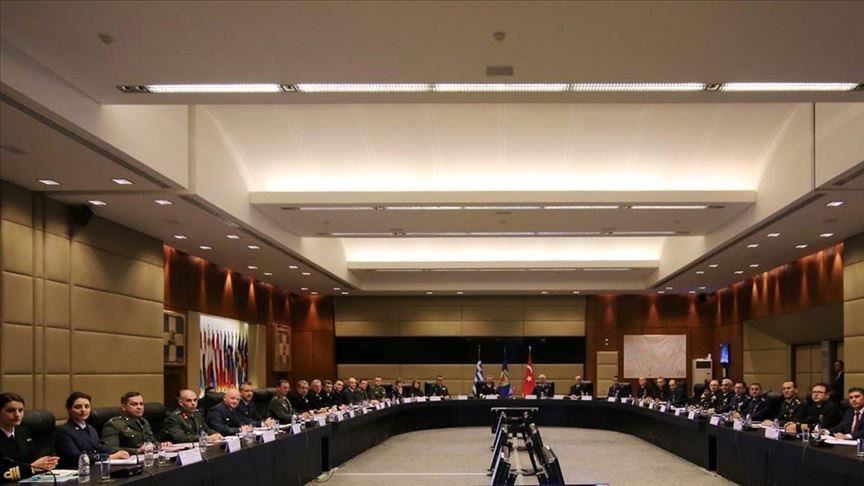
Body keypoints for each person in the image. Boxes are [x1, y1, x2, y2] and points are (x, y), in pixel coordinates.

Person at [55, 392, 130, 469]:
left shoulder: (90, 428)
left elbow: (100, 447)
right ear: (69, 409)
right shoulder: (63, 431)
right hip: (76, 470)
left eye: (87, 406)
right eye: (78, 407)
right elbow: (75, 457)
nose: (83, 410)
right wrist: (109, 456)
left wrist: (123, 452)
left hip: (94, 467)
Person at [0, 392, 58, 482]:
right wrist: (32, 468)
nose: (17, 414)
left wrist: (46, 463)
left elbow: (31, 460)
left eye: (20, 410)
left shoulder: (23, 432)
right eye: (11, 410)